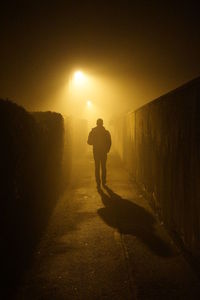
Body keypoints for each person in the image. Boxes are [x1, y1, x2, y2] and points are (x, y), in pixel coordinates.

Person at [87, 118, 111, 188]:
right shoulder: (106, 132)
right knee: (103, 167)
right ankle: (103, 181)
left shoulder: (93, 131)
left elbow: (89, 142)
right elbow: (109, 141)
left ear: (96, 123)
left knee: (97, 167)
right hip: (104, 152)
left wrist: (94, 142)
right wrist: (107, 149)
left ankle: (98, 182)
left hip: (96, 152)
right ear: (102, 123)